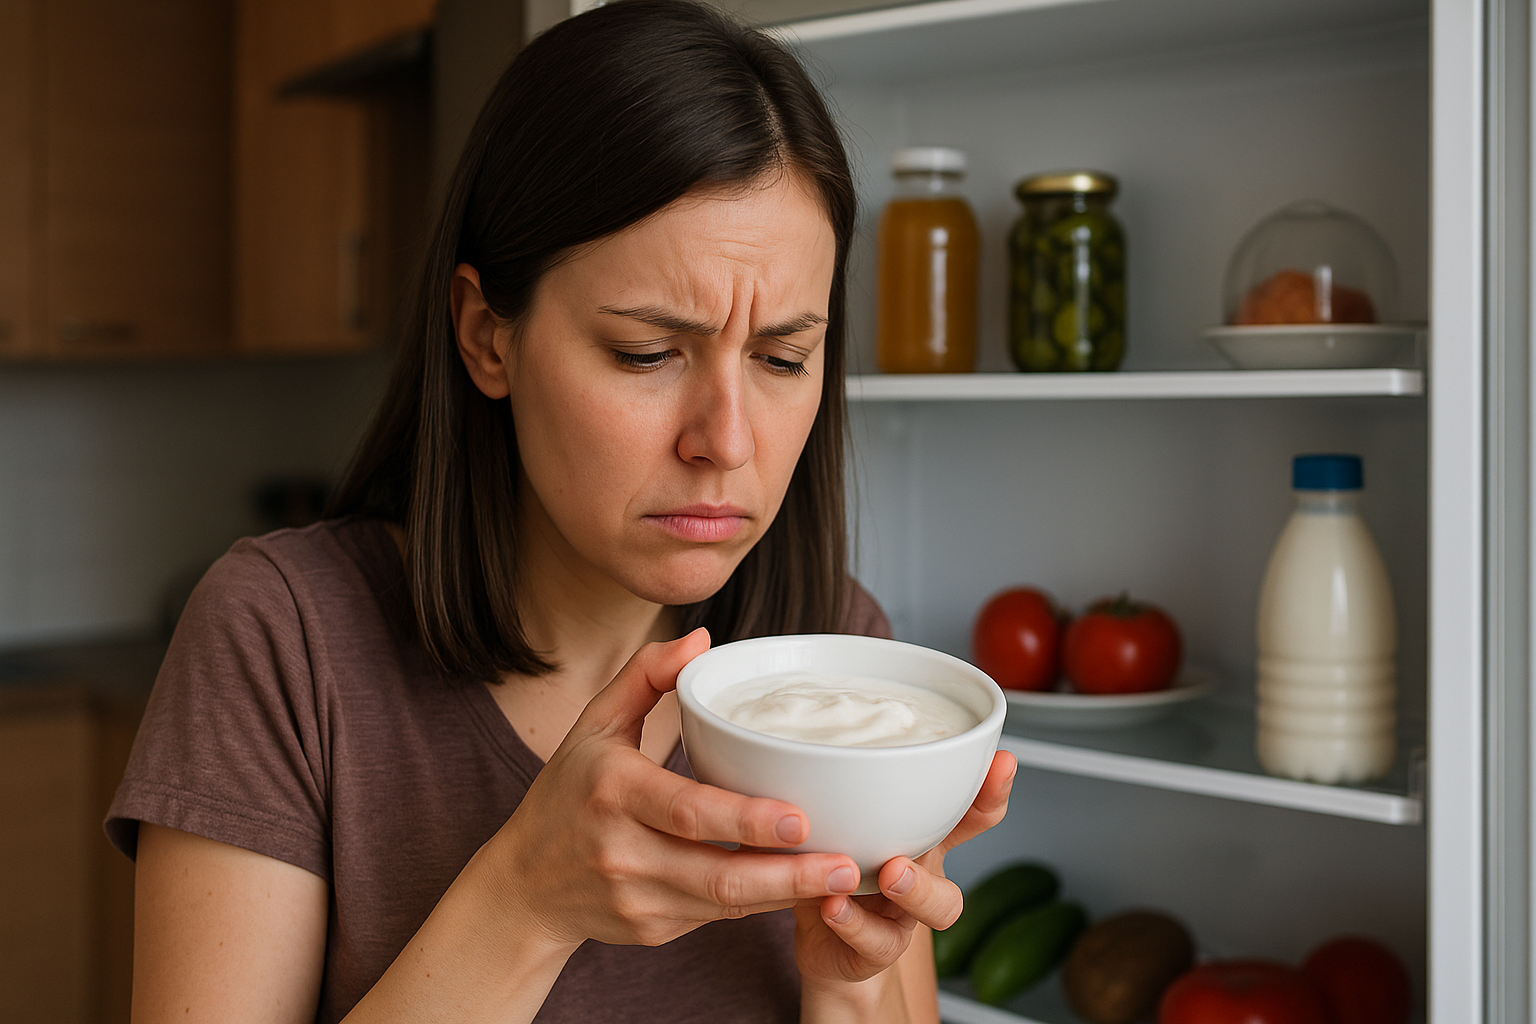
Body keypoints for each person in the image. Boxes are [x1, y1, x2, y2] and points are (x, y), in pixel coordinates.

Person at [106, 2, 1016, 1021]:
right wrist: (526, 901)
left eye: (782, 357)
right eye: (645, 352)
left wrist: (849, 980)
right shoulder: (282, 639)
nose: (727, 441)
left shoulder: (840, 648)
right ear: (486, 335)